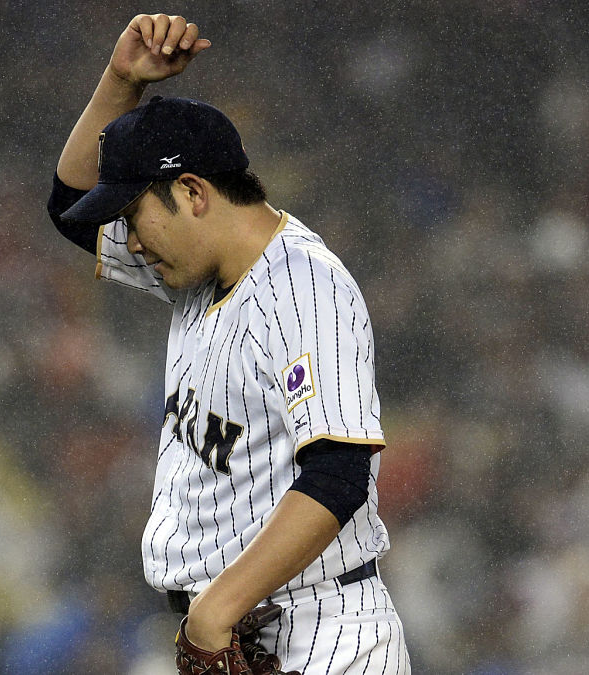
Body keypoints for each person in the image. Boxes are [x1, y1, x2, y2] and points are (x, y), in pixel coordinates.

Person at [47, 13, 410, 674]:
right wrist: (121, 80)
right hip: (231, 627)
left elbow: (338, 473)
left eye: (134, 215)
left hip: (315, 630)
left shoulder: (305, 287)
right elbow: (69, 202)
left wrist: (216, 610)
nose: (128, 238)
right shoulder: (192, 271)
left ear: (193, 191)